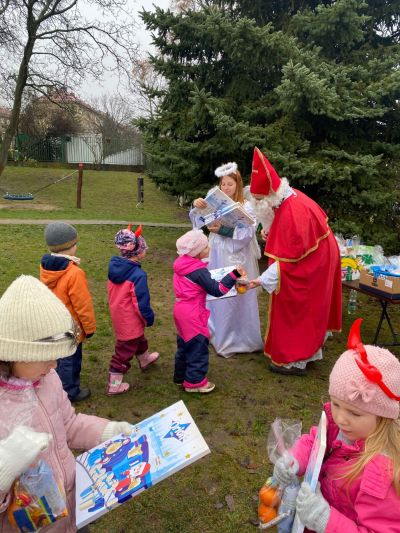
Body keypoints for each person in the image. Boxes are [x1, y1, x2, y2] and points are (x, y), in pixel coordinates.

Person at [0, 275, 133, 532]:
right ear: (15, 354)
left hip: (71, 510)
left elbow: (69, 424)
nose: (54, 365)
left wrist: (107, 431)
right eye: (46, 357)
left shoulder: (47, 379)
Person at [272, 318, 400, 532]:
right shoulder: (338, 425)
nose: (340, 418)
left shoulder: (382, 473)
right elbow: (314, 441)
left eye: (354, 413)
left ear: (383, 417)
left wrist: (326, 520)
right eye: (336, 404)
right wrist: (295, 459)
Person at [248, 147, 342, 376]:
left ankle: (294, 358)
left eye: (259, 200)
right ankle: (308, 352)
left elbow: (287, 264)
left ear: (270, 196)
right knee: (311, 307)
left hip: (313, 264)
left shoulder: (292, 213)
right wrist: (271, 231)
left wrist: (259, 281)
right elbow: (285, 234)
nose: (256, 204)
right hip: (319, 256)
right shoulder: (286, 197)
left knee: (297, 305)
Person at [190, 162, 263, 358]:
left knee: (236, 293)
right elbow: (198, 220)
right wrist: (197, 206)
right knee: (216, 290)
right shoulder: (215, 201)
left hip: (236, 256)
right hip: (217, 251)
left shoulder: (246, 206)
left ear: (238, 185)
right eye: (223, 184)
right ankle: (217, 333)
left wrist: (223, 229)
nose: (226, 188)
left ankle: (240, 338)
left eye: (230, 184)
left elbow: (248, 233)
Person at [173, 229, 245, 393]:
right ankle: (195, 383)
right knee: (198, 346)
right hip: (193, 313)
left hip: (180, 310)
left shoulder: (182, 264)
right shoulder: (198, 271)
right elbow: (218, 290)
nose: (209, 248)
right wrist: (234, 274)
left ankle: (180, 376)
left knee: (185, 345)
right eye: (205, 247)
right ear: (197, 252)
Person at [40, 222, 96, 401]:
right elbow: (82, 305)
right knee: (70, 361)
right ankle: (70, 392)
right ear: (70, 247)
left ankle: (53, 387)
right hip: (70, 329)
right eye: (75, 243)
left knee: (56, 360)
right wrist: (89, 328)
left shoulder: (46, 267)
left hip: (51, 324)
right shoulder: (74, 273)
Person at [107, 225, 159, 396]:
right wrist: (148, 318)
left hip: (119, 315)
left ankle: (144, 359)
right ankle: (114, 384)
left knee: (139, 339)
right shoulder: (138, 275)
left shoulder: (115, 267)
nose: (146, 250)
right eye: (144, 248)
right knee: (123, 353)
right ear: (137, 252)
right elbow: (141, 303)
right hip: (130, 318)